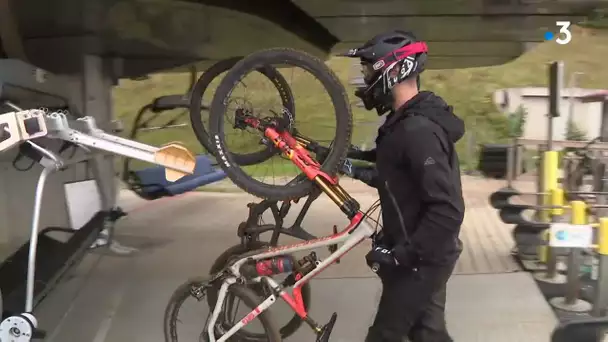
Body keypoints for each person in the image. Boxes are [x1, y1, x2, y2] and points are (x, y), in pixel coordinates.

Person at [339, 30, 466, 342]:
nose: (365, 80)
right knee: (428, 333)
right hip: (422, 255)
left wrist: (402, 256)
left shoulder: (418, 130)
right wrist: (348, 163)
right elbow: (393, 174)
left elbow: (448, 210)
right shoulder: (403, 124)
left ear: (393, 70)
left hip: (422, 261)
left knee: (385, 335)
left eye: (369, 70)